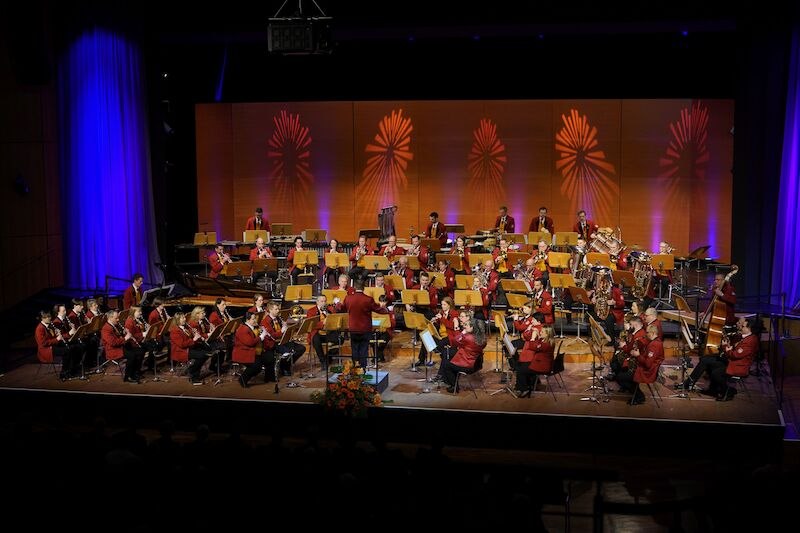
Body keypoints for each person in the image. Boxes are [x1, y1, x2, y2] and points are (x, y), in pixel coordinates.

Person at [680, 316, 759, 400]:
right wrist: (728, 346)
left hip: (738, 366)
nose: (741, 327)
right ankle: (698, 385)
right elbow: (734, 349)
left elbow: (736, 355)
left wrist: (725, 347)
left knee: (715, 372)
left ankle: (727, 392)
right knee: (705, 360)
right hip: (731, 361)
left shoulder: (751, 341)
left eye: (743, 326)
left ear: (749, 328)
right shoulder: (744, 336)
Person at [343, 268, 389, 369]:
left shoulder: (348, 298)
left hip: (353, 328)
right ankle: (362, 370)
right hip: (365, 329)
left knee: (355, 350)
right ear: (364, 287)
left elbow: (341, 308)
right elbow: (379, 309)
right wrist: (385, 309)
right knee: (363, 350)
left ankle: (355, 370)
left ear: (354, 287)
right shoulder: (368, 299)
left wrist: (336, 304)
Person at [616, 324, 664, 405]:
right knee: (623, 373)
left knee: (620, 377)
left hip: (647, 372)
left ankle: (639, 396)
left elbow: (648, 364)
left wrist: (637, 355)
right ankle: (636, 392)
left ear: (652, 333)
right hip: (645, 369)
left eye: (647, 332)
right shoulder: (656, 342)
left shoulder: (654, 345)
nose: (645, 334)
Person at [437, 317, 486, 393]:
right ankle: (453, 382)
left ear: (473, 328)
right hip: (476, 364)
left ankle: (454, 386)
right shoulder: (482, 338)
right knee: (451, 357)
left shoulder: (468, 338)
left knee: (447, 364)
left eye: (467, 325)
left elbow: (454, 341)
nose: (465, 326)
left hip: (468, 365)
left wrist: (463, 332)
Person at [35, 310, 82, 380]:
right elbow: (43, 343)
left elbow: (57, 337)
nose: (49, 318)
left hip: (53, 345)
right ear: (42, 318)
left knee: (73, 347)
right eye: (47, 317)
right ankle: (64, 373)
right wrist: (56, 339)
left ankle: (72, 370)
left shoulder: (50, 325)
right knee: (67, 351)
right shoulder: (40, 328)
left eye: (49, 316)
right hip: (46, 350)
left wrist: (68, 334)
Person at [101, 309, 143, 383]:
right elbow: (113, 343)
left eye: (118, 318)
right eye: (116, 318)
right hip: (113, 350)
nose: (118, 320)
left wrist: (124, 333)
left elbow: (119, 336)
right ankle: (128, 376)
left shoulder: (115, 325)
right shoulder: (106, 329)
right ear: (110, 318)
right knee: (132, 355)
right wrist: (125, 338)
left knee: (140, 351)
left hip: (120, 347)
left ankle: (135, 373)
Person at [515, 327, 554, 396]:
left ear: (547, 334)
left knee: (521, 370)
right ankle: (529, 385)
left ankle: (524, 389)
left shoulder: (546, 344)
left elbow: (533, 346)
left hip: (542, 366)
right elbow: (538, 343)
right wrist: (539, 336)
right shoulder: (545, 340)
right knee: (524, 365)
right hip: (541, 363)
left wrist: (532, 338)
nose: (540, 332)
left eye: (542, 332)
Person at [234, 312, 269, 388]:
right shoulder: (243, 329)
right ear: (247, 320)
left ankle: (269, 377)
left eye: (255, 318)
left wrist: (261, 333)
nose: (255, 320)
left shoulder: (250, 327)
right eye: (253, 319)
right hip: (243, 353)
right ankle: (242, 379)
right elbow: (250, 343)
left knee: (267, 359)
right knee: (256, 367)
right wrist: (261, 336)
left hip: (249, 351)